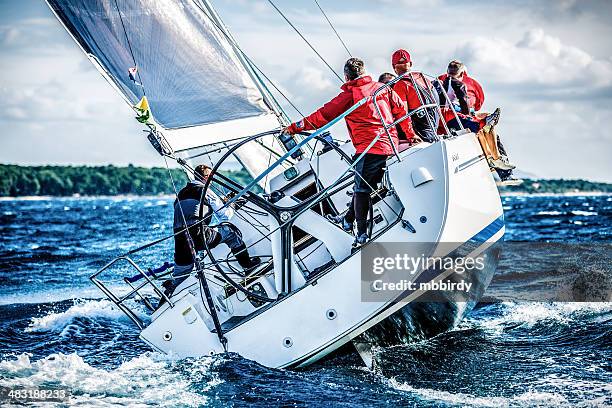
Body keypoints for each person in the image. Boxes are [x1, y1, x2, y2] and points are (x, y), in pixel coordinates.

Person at [283, 57, 412, 246]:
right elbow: (401, 109)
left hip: (370, 148)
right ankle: (347, 219)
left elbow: (321, 117)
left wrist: (294, 128)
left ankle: (361, 234)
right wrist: (409, 134)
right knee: (363, 184)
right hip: (388, 143)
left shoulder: (349, 96)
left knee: (361, 190)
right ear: (364, 71)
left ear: (346, 77)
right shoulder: (382, 88)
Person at [168, 165, 260, 294]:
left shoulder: (181, 194)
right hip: (199, 236)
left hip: (181, 240)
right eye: (211, 177)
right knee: (231, 233)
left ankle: (166, 298)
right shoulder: (205, 190)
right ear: (206, 177)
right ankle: (248, 266)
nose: (212, 180)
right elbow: (225, 215)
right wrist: (231, 204)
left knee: (179, 277)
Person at [438, 60, 517, 182]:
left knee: (486, 120)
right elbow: (477, 103)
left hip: (447, 116)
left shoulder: (439, 79)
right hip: (455, 117)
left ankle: (494, 160)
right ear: (463, 72)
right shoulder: (468, 83)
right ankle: (501, 168)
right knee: (484, 125)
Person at [390, 49, 439, 143]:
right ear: (411, 64)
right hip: (434, 130)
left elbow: (402, 113)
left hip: (421, 134)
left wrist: (411, 135)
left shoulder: (400, 85)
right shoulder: (424, 78)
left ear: (393, 66)